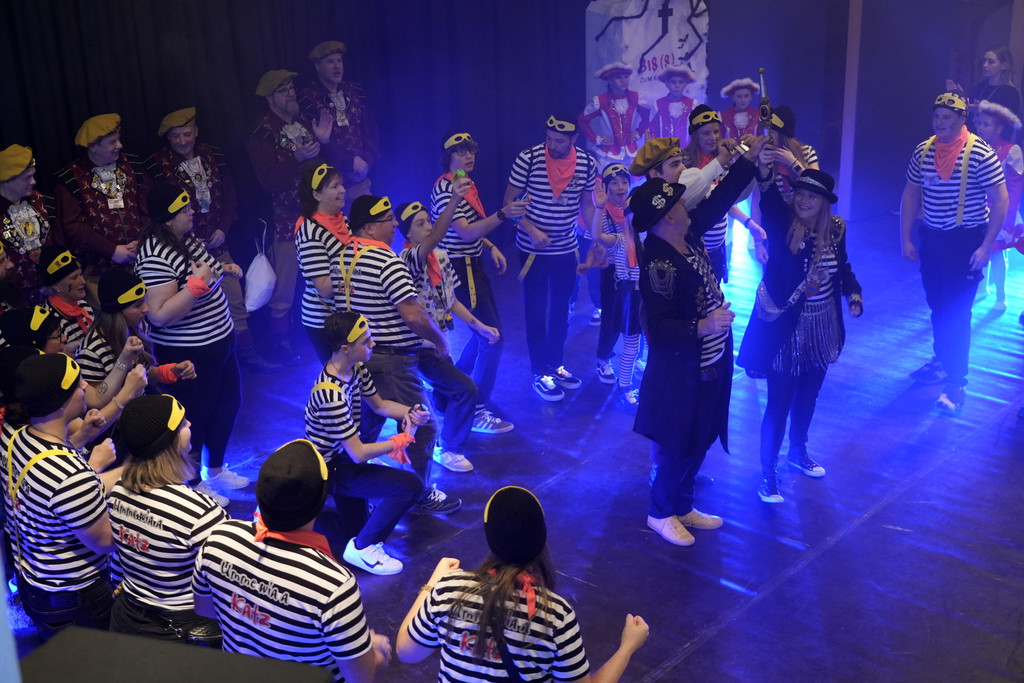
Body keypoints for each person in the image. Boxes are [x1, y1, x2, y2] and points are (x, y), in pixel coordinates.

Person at [631, 135, 766, 546]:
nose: (686, 204)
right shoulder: (659, 264)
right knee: (679, 441)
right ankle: (660, 512)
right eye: (678, 203)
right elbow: (659, 327)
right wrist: (702, 326)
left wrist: (746, 161)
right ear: (668, 216)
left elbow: (719, 200)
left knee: (702, 434)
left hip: (711, 360)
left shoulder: (686, 236)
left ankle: (683, 504)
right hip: (682, 370)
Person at [397, 485, 649, 681]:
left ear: (489, 537)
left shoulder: (449, 589)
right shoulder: (555, 614)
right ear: (541, 539)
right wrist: (627, 648)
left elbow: (406, 652)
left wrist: (432, 584)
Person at [192, 439, 392, 682]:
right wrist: (376, 652)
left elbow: (206, 611)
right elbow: (361, 678)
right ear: (319, 502)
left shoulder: (220, 538)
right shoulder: (333, 584)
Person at [738, 165, 863, 503]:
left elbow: (843, 269)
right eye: (801, 194)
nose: (805, 201)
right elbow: (770, 198)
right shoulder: (781, 224)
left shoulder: (836, 229)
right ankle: (768, 472)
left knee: (808, 395)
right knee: (778, 403)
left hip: (822, 327)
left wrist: (853, 294)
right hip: (786, 330)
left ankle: (797, 451)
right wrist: (764, 168)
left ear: (824, 203)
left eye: (813, 197)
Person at [342, 194, 460, 514]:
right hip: (392, 361)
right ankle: (418, 495)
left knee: (364, 431)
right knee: (424, 426)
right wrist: (439, 339)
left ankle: (352, 494)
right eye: (387, 220)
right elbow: (411, 314)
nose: (395, 224)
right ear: (369, 227)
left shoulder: (343, 256)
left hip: (361, 359)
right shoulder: (387, 261)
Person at [135, 183, 246, 501]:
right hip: (190, 350)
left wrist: (222, 270)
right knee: (197, 416)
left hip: (219, 339)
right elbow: (159, 315)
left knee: (228, 403)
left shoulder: (186, 239)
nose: (192, 212)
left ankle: (215, 469)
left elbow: (205, 273)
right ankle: (192, 484)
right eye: (184, 209)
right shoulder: (155, 255)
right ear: (168, 218)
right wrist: (197, 285)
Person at [305, 311, 437, 576]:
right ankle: (363, 548)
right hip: (330, 469)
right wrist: (398, 442)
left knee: (354, 528)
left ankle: (352, 529)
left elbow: (379, 405)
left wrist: (410, 412)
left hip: (343, 460)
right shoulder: (330, 394)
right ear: (346, 348)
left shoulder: (355, 368)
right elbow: (358, 453)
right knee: (410, 486)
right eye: (366, 341)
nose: (373, 344)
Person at [146, 108, 277, 373]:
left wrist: (223, 229)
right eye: (176, 136)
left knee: (235, 301)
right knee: (193, 306)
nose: (182, 141)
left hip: (217, 245)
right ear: (168, 138)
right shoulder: (157, 166)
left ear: (196, 132)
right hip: (182, 251)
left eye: (187, 134)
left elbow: (229, 196)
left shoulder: (212, 155)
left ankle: (246, 356)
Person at [900, 92, 1007, 412]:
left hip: (966, 241)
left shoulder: (980, 153)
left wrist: (986, 247)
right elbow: (910, 194)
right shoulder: (924, 150)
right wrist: (905, 238)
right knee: (938, 305)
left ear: (962, 120)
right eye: (937, 117)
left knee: (958, 312)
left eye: (947, 117)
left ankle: (956, 382)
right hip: (932, 239)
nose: (940, 122)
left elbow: (1000, 200)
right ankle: (942, 360)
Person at [3, 353, 116, 639]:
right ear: (61, 402)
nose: (85, 386)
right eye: (78, 384)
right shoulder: (71, 476)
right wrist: (98, 469)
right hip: (77, 597)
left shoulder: (15, 438)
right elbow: (105, 542)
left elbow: (50, 493)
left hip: (35, 585)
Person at [107, 394, 226, 644]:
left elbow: (119, 560)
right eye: (182, 423)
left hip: (126, 616)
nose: (190, 424)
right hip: (180, 630)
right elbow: (222, 581)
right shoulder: (200, 512)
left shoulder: (118, 490)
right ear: (169, 441)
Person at [430, 131, 526, 433]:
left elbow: (472, 232)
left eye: (471, 150)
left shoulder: (464, 184)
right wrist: (503, 215)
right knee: (491, 338)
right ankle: (475, 408)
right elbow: (465, 232)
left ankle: (448, 392)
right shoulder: (448, 187)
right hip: (459, 268)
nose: (468, 156)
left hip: (471, 265)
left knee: (483, 334)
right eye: (461, 151)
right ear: (448, 157)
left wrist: (491, 246)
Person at [505, 114, 598, 401]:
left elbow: (587, 207)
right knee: (535, 311)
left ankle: (556, 365)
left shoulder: (587, 163)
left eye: (559, 140)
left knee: (561, 311)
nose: (552, 145)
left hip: (566, 247)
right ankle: (539, 372)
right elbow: (509, 203)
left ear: (574, 139)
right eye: (549, 139)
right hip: (532, 248)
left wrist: (597, 239)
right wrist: (531, 229)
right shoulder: (529, 158)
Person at [397, 196, 489, 472]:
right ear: (407, 233)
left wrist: (480, 326)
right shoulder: (407, 259)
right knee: (464, 389)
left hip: (436, 344)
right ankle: (448, 448)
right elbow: (431, 242)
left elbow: (451, 301)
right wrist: (455, 199)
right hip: (416, 347)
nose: (428, 227)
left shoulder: (441, 257)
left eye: (429, 221)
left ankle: (445, 434)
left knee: (447, 394)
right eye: (420, 224)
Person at [247, 69, 331, 358]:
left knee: (324, 276)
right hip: (285, 219)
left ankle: (323, 334)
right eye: (283, 91)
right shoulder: (262, 133)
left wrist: (324, 142)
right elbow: (267, 181)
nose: (291, 93)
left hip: (316, 215)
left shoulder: (304, 121)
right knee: (285, 287)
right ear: (270, 98)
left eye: (292, 87)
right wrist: (295, 159)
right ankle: (283, 345)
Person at [77, 269, 196, 416]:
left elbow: (143, 373)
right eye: (138, 305)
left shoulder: (138, 327)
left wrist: (171, 371)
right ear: (118, 310)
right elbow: (95, 403)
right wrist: (123, 361)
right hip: (114, 422)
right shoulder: (91, 350)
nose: (146, 309)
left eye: (144, 302)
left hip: (140, 410)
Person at [54, 113, 151, 286]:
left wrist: (142, 240)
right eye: (112, 142)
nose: (119, 145)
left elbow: (149, 208)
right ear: (92, 146)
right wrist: (112, 250)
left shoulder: (132, 166)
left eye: (119, 139)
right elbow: (73, 227)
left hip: (143, 260)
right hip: (99, 272)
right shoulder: (71, 178)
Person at [681, 105, 766, 282]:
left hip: (718, 246)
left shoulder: (723, 157)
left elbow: (726, 199)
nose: (713, 137)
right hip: (692, 246)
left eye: (715, 132)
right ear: (695, 135)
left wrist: (749, 224)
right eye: (706, 133)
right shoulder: (684, 163)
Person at [585, 164, 644, 405]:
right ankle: (606, 361)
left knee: (639, 335)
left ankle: (634, 365)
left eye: (624, 182)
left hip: (643, 287)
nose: (620, 187)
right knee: (614, 324)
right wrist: (599, 207)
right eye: (615, 183)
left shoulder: (636, 215)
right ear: (606, 187)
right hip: (618, 281)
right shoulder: (611, 225)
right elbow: (596, 238)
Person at [300, 41, 380, 207]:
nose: (337, 66)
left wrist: (365, 163)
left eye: (339, 61)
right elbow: (314, 144)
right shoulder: (308, 99)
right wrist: (348, 162)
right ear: (317, 66)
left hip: (360, 179)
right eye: (330, 62)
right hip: (329, 185)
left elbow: (370, 131)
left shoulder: (355, 91)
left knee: (368, 219)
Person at [296, 162, 350, 363]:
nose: (342, 190)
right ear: (317, 195)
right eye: (334, 186)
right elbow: (325, 289)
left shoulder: (341, 218)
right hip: (324, 321)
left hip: (344, 315)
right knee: (341, 376)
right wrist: (359, 271)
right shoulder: (310, 231)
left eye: (341, 184)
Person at [972, 100, 1023, 310]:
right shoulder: (974, 147)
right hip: (977, 211)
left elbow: (1014, 189)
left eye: (986, 124)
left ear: (999, 128)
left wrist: (1007, 220)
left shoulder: (1011, 151)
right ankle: (982, 288)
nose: (980, 127)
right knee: (980, 249)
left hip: (1001, 210)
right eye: (979, 123)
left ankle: (1001, 296)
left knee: (996, 252)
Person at [0, 145, 50, 300]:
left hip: (51, 289)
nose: (33, 181)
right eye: (26, 178)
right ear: (7, 180)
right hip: (15, 297)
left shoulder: (37, 199)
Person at [579, 62, 650, 170]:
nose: (623, 80)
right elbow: (582, 120)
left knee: (634, 177)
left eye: (626, 77)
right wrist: (596, 139)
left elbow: (647, 117)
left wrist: (639, 133)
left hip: (631, 151)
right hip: (609, 152)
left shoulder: (636, 97)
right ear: (610, 80)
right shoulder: (601, 100)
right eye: (618, 77)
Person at [37, 246, 92, 355]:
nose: (83, 281)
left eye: (81, 274)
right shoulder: (49, 322)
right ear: (56, 285)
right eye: (74, 278)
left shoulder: (84, 306)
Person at [947, 45, 1022, 121]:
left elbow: (1009, 121)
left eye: (991, 62)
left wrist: (983, 111)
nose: (985, 65)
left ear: (1003, 66)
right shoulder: (979, 87)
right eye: (984, 61)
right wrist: (961, 98)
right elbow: (967, 114)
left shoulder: (1010, 93)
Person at [650, 65, 698, 142]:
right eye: (673, 82)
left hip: (686, 148)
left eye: (680, 82)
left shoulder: (692, 104)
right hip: (663, 148)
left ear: (685, 83)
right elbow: (653, 129)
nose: (677, 86)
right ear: (667, 83)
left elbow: (696, 130)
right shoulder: (658, 104)